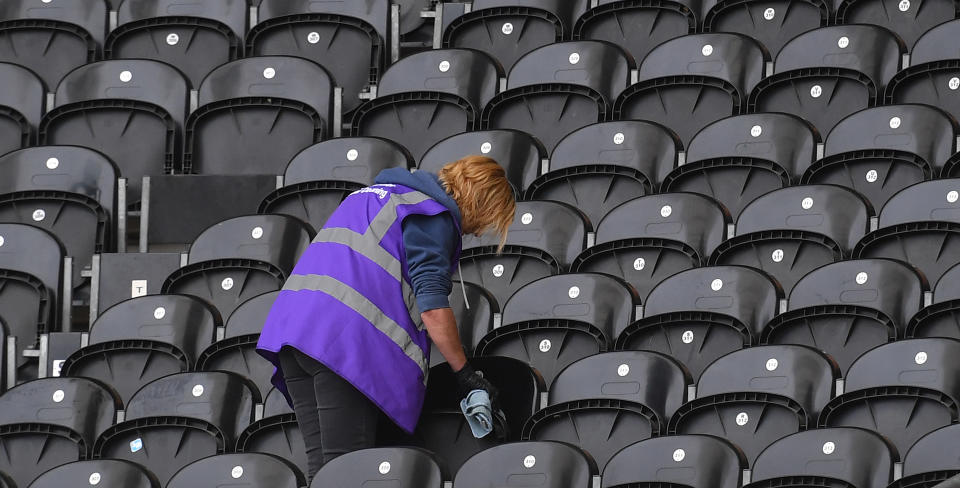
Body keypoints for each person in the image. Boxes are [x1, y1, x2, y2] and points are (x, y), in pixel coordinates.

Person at [256, 155, 516, 482]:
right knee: (349, 472)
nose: (478, 231)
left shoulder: (377, 195)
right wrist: (465, 373)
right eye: (487, 219)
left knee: (324, 471)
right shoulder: (430, 214)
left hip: (294, 334)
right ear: (481, 202)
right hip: (342, 348)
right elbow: (433, 307)